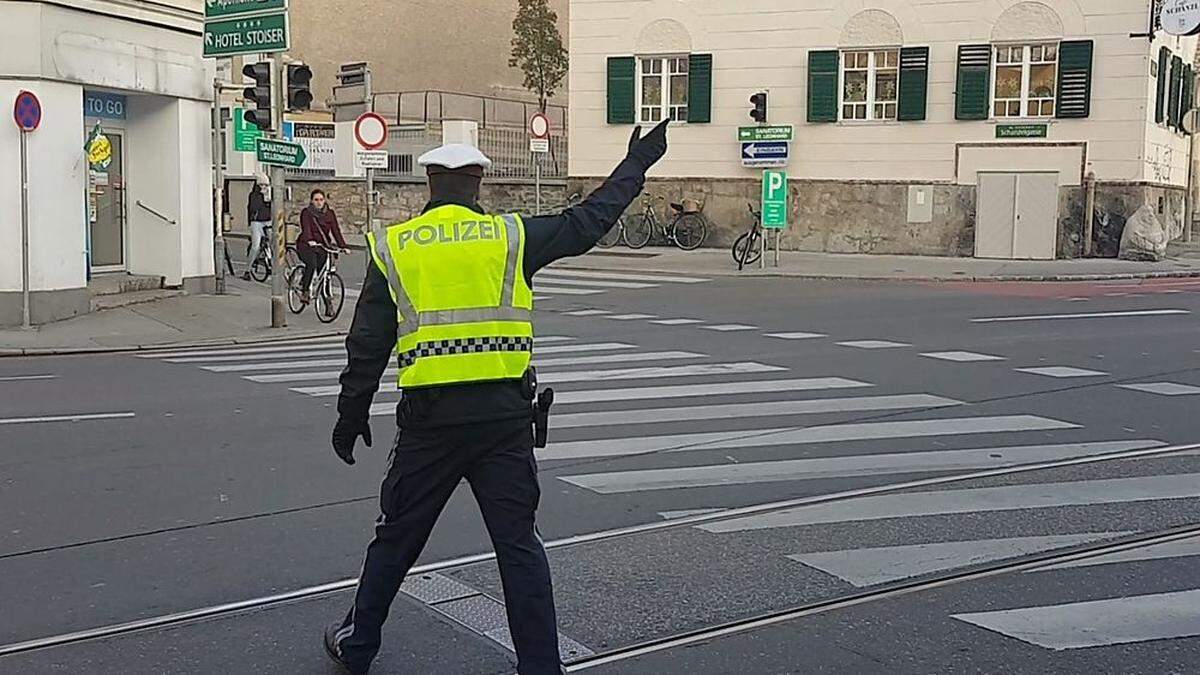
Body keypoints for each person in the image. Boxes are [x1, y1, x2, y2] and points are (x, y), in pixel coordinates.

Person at [323, 119, 670, 675]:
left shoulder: (394, 247)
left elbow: (367, 341)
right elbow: (590, 221)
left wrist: (351, 414)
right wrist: (637, 162)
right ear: (479, 183)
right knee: (519, 549)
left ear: (429, 183)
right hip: (504, 422)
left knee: (395, 540)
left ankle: (359, 643)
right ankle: (540, 667)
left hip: (429, 426)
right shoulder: (511, 237)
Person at [297, 188, 348, 302]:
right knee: (312, 264)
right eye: (316, 200)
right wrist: (310, 240)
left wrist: (343, 246)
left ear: (324, 200)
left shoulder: (330, 214)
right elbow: (306, 228)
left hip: (323, 246)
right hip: (306, 245)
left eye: (321, 199)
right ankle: (305, 291)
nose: (319, 202)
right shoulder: (307, 213)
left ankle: (327, 303)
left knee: (325, 274)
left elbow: (336, 230)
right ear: (311, 201)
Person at [242, 175, 272, 281]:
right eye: (261, 185)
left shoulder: (270, 193)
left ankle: (272, 264)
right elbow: (253, 207)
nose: (264, 187)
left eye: (266, 185)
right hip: (256, 222)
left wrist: (269, 199)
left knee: (274, 243)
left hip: (268, 220)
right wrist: (262, 197)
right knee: (255, 246)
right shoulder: (254, 195)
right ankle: (248, 270)